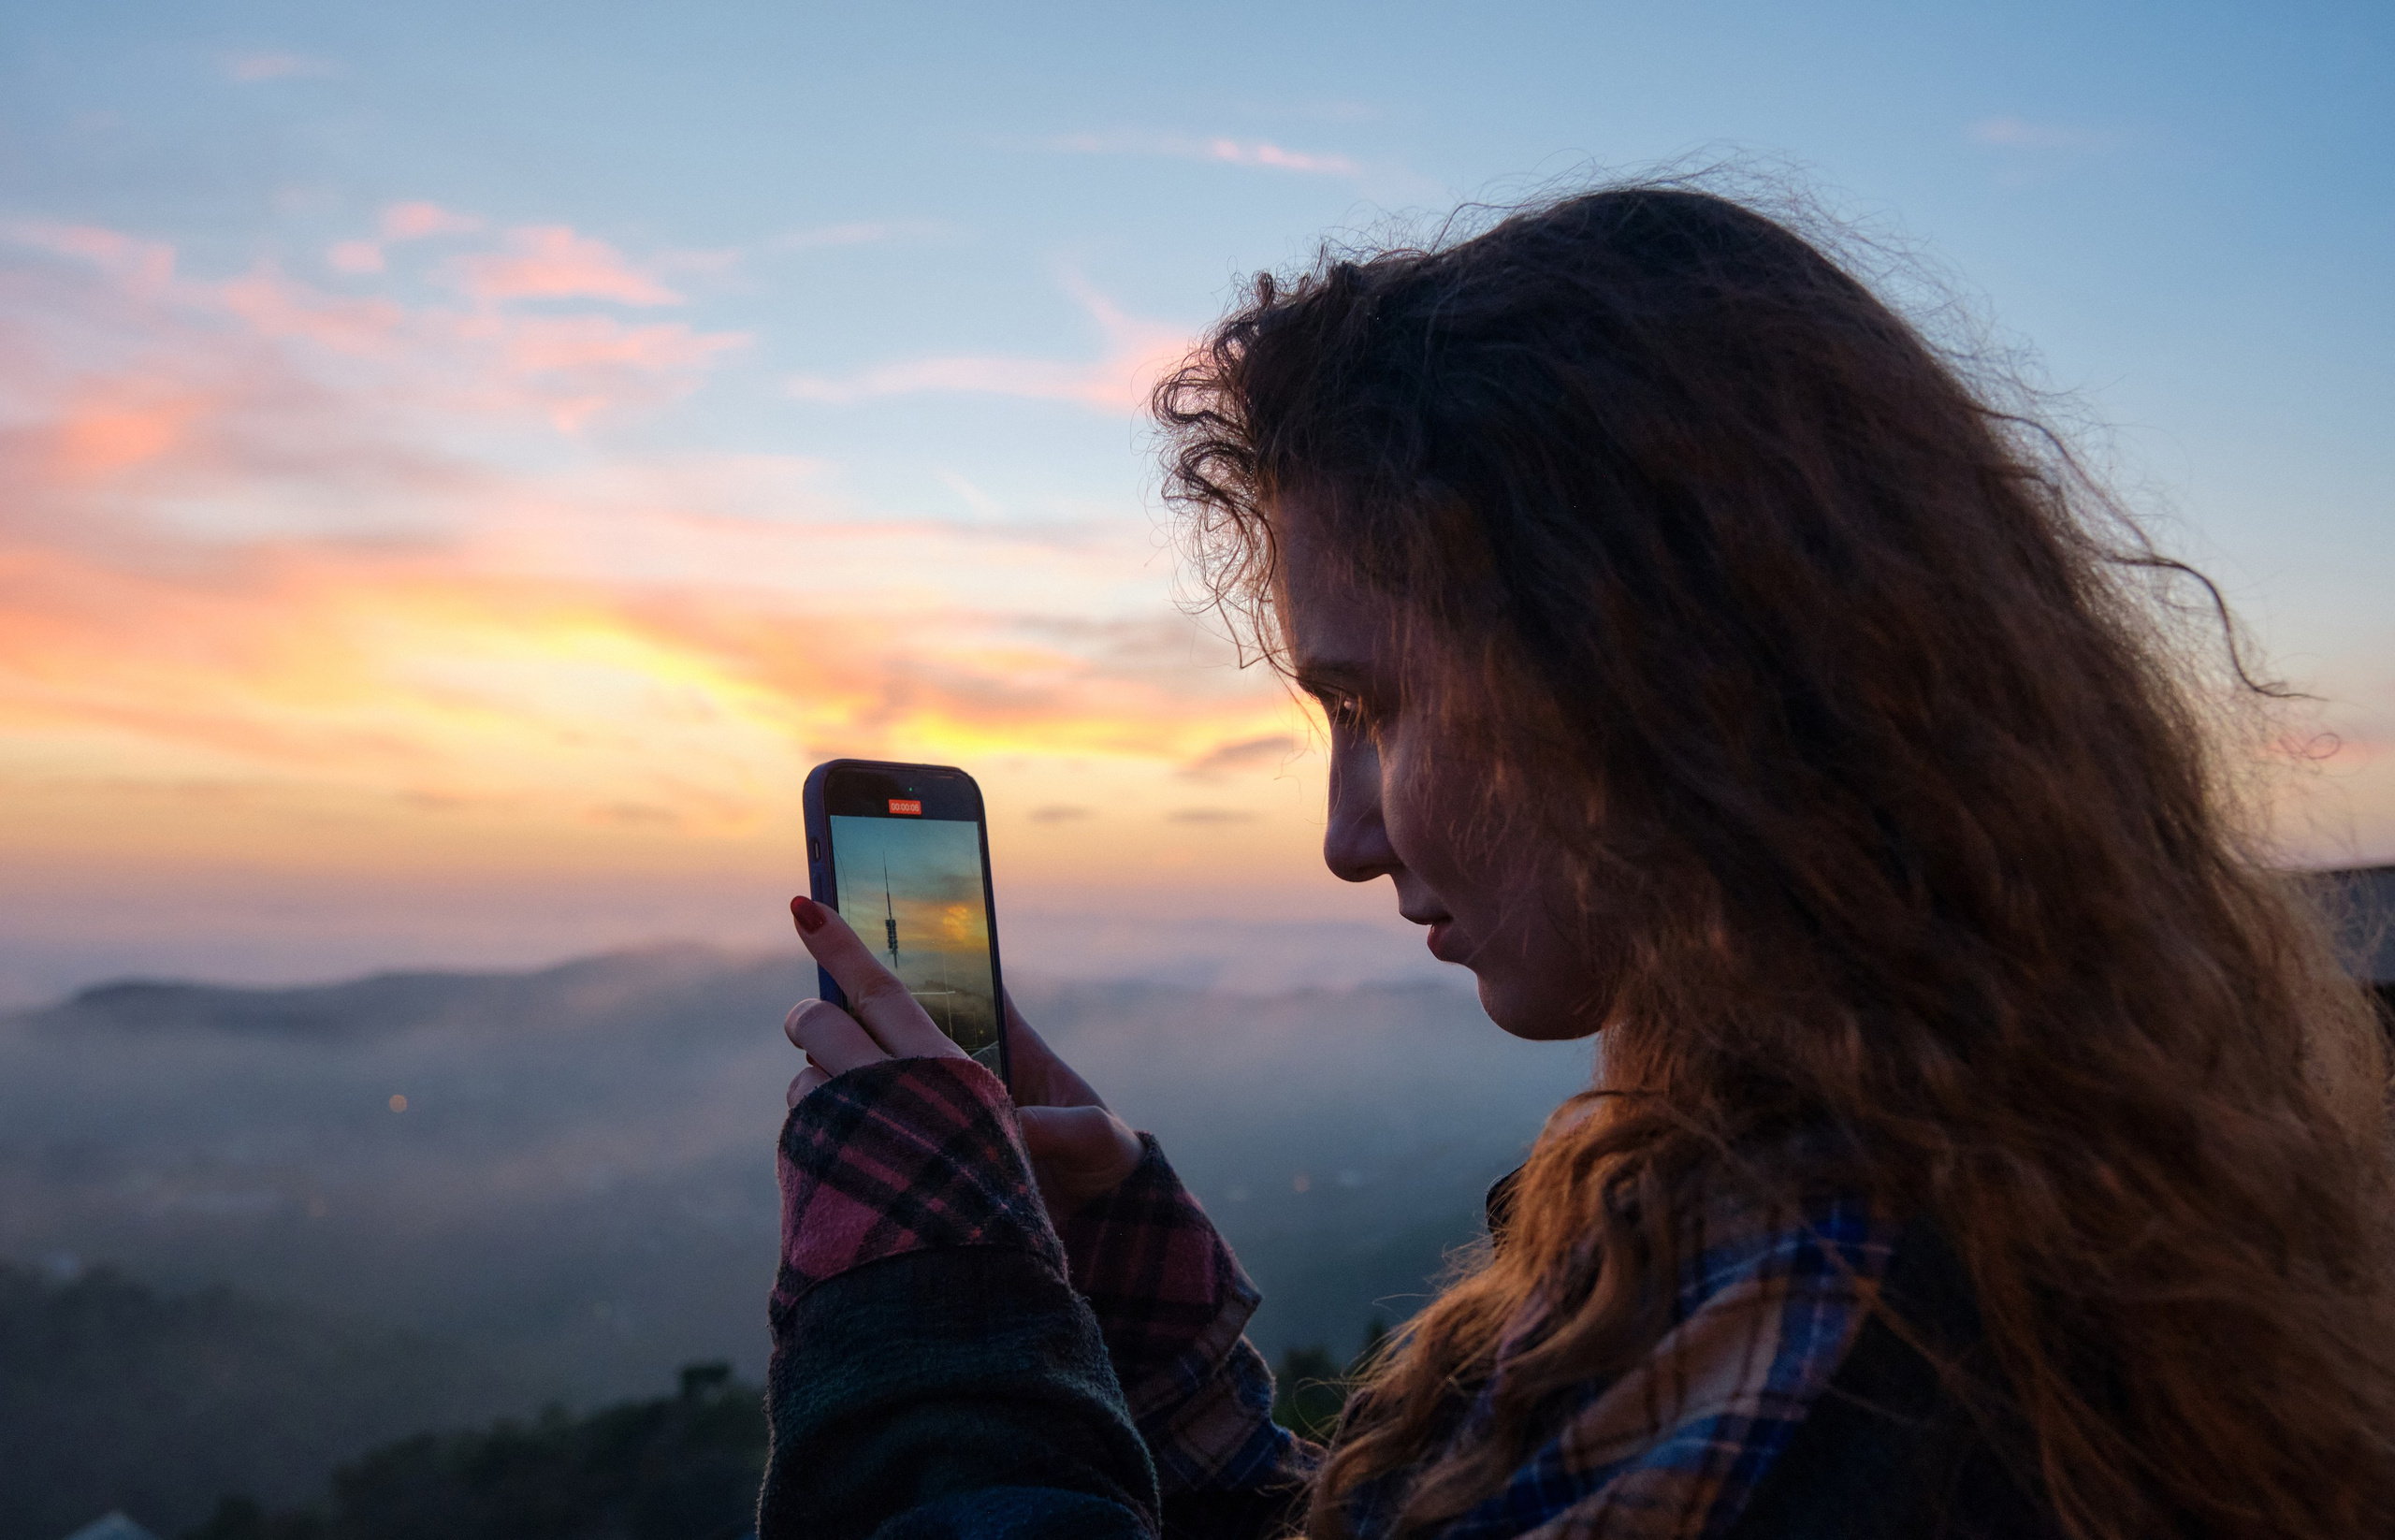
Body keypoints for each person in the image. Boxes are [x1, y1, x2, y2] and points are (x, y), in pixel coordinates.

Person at [756, 184, 2395, 1540]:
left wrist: (936, 1333)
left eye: (1375, 701)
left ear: (1658, 674)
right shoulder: (1886, 1209)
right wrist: (1114, 1295)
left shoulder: (1852, 1332)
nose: (1349, 835)